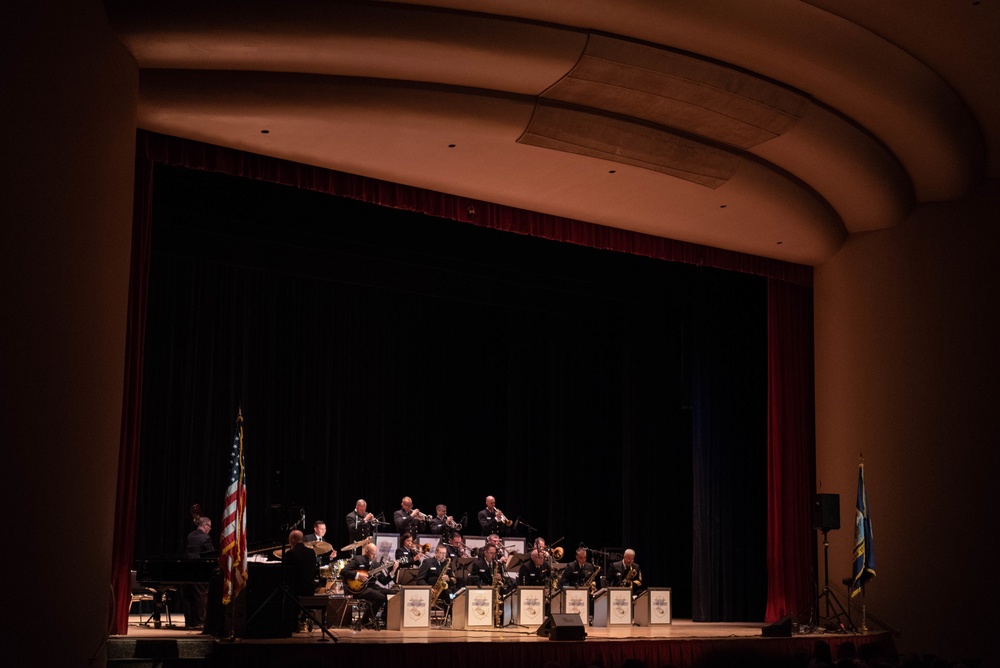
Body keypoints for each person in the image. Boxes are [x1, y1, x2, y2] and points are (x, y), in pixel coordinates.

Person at [341, 541, 390, 624]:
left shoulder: (376, 565)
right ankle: (365, 620)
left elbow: (384, 581)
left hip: (372, 587)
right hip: (359, 588)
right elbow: (343, 571)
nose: (374, 556)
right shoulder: (358, 559)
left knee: (392, 593)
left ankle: (385, 619)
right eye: (372, 554)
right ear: (367, 552)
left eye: (376, 554)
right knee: (380, 597)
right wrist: (358, 575)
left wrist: (393, 572)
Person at [183, 516, 214, 628]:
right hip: (200, 570)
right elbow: (210, 554)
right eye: (209, 526)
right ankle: (199, 622)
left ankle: (189, 622)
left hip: (187, 569)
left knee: (188, 596)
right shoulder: (206, 538)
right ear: (205, 525)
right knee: (200, 596)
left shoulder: (190, 535)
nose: (210, 529)